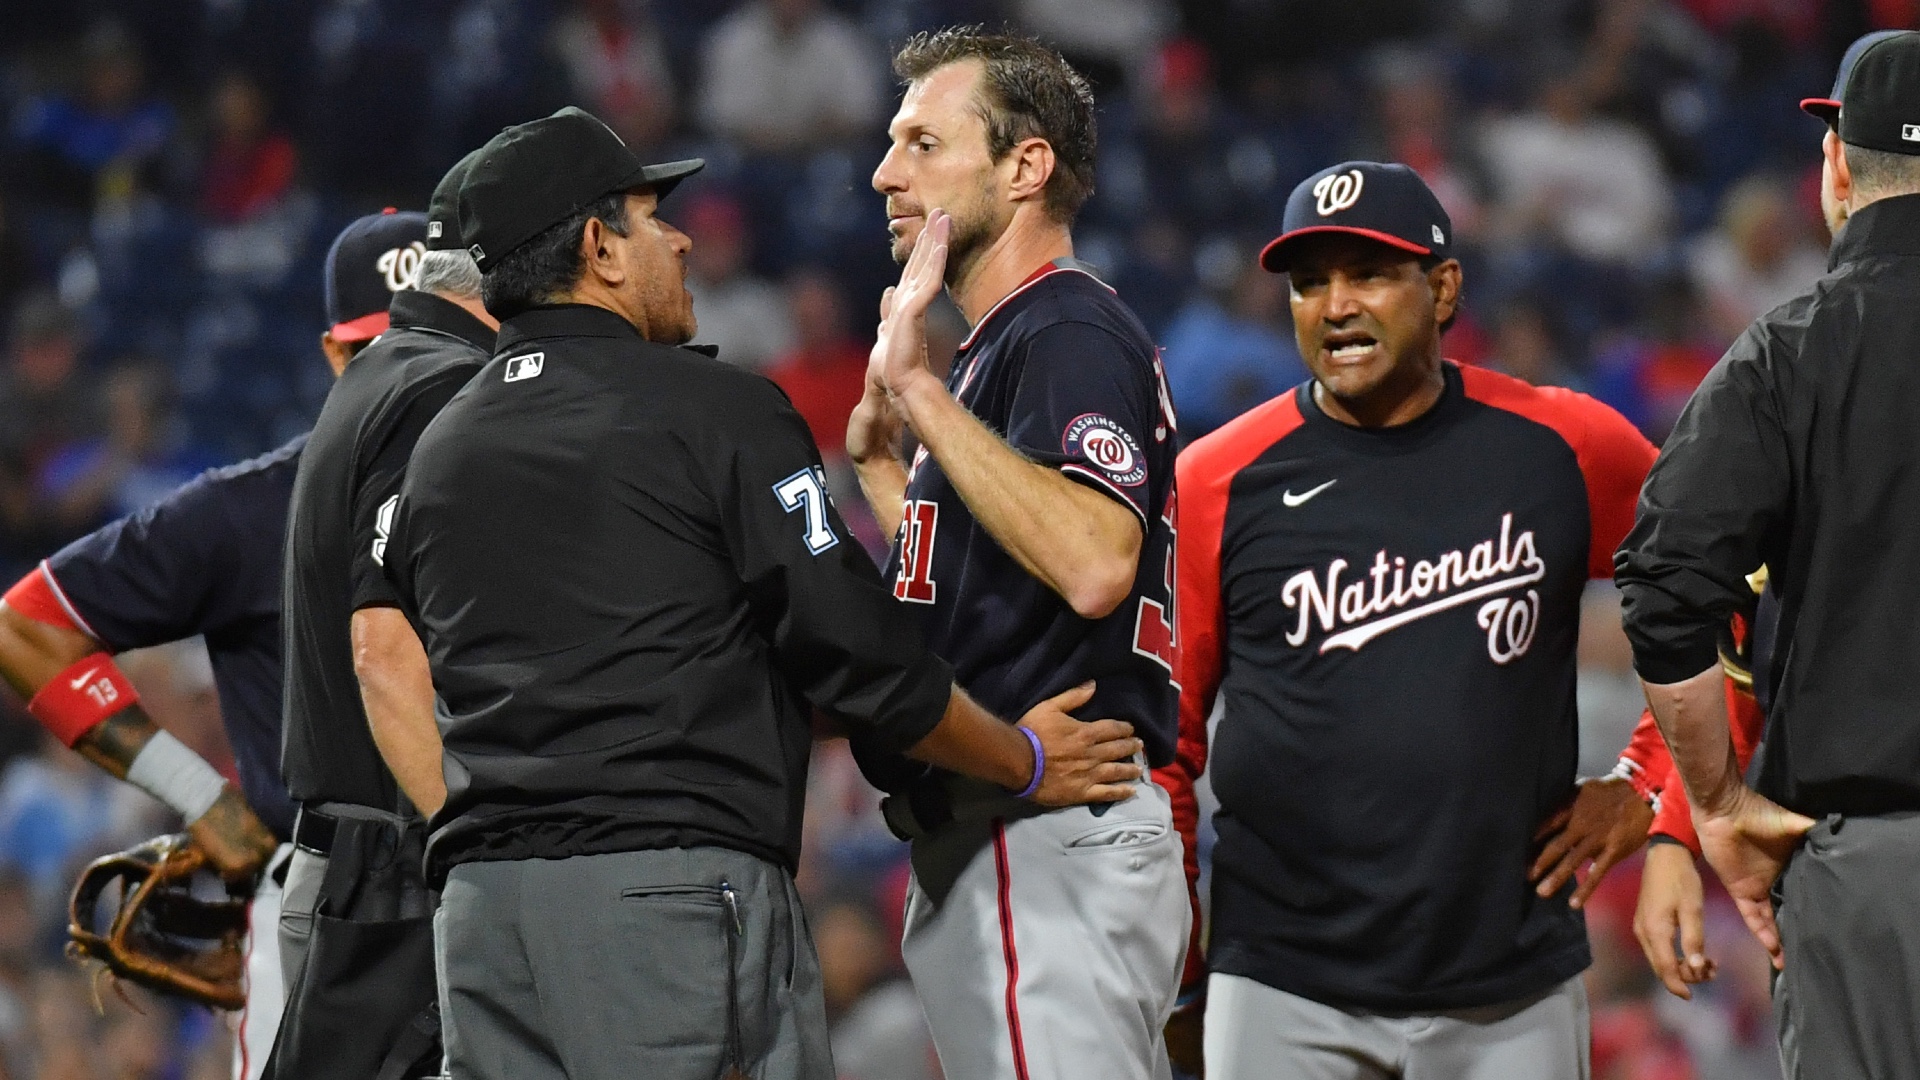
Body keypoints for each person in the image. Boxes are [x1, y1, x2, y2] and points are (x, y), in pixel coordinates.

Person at [369, 105, 1143, 1080]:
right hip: (666, 901)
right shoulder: (714, 410)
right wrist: (1023, 759)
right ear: (601, 248)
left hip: (484, 914)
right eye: (655, 218)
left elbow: (561, 657)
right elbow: (863, 658)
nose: (684, 238)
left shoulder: (442, 445)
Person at [1163, 161, 1658, 1079]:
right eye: (1311, 282)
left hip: (1511, 984)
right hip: (1283, 983)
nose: (1335, 305)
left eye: (1369, 275)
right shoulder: (1219, 478)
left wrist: (1651, 785)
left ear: (1444, 289)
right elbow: (1167, 740)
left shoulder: (1563, 445)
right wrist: (1179, 964)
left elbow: (1715, 585)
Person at [0, 206, 419, 1080]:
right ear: (335, 357)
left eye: (432, 346)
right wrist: (199, 793)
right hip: (317, 911)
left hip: (500, 905)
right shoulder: (249, 514)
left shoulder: (537, 500)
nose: (410, 378)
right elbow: (30, 625)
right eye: (382, 351)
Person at [848, 28, 1188, 1080]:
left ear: (1025, 165)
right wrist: (878, 467)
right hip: (1020, 840)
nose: (883, 172)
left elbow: (1093, 559)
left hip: (1043, 838)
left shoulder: (1063, 329)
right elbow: (980, 583)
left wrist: (917, 391)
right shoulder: (1007, 347)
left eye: (922, 142)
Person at [1616, 30, 1920, 1079]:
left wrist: (1716, 804)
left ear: (1836, 167)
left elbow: (1663, 584)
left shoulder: (1790, 353)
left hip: (1871, 865)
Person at [271, 155, 495, 1080]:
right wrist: (475, 850)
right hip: (391, 876)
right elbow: (385, 652)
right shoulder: (435, 388)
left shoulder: (375, 387)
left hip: (353, 865)